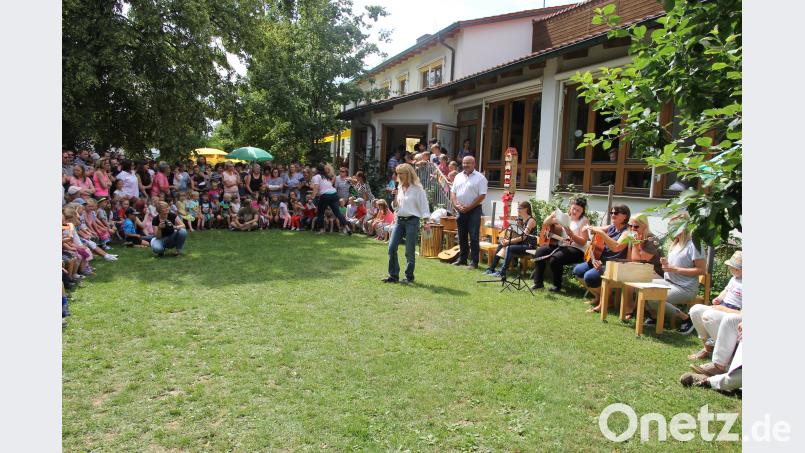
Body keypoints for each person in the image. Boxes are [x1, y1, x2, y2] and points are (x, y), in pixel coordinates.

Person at [639, 214, 705, 333]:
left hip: (685, 288)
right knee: (641, 286)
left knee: (654, 297)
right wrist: (665, 264)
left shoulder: (694, 244)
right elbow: (674, 266)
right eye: (669, 225)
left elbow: (701, 270)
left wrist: (675, 269)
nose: (670, 228)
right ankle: (655, 317)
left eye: (672, 225)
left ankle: (686, 319)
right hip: (669, 283)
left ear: (683, 225)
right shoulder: (675, 243)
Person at [687, 251, 742, 366]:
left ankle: (728, 353)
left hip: (734, 314)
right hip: (723, 306)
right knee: (695, 310)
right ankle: (708, 348)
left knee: (709, 316)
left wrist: (723, 309)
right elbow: (726, 291)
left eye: (734, 268)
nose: (731, 270)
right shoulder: (734, 279)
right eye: (731, 267)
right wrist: (719, 298)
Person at [574, 204, 631, 312]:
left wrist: (601, 233)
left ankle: (606, 301)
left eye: (616, 213)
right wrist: (588, 228)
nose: (613, 215)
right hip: (601, 260)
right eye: (611, 213)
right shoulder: (611, 227)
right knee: (578, 270)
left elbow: (616, 247)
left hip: (614, 264)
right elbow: (595, 229)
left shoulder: (627, 232)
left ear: (625, 216)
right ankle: (599, 297)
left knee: (589, 277)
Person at [383, 163, 430, 284]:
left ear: (408, 174)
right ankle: (393, 275)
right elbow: (395, 207)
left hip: (412, 221)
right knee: (391, 248)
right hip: (399, 220)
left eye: (401, 173)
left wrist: (426, 222)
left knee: (409, 251)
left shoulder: (417, 189)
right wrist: (394, 197)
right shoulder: (399, 187)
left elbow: (424, 206)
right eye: (397, 173)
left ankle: (409, 277)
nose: (398, 176)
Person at [531, 198, 589, 292]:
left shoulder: (584, 221)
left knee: (555, 258)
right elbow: (546, 222)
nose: (574, 211)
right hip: (561, 246)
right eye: (573, 208)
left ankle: (557, 286)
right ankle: (538, 284)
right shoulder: (565, 217)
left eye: (578, 210)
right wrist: (552, 215)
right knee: (540, 251)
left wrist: (572, 235)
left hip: (577, 249)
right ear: (570, 207)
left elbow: (583, 242)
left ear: (583, 211)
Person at [450, 156, 487, 269]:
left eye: (468, 163)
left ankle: (474, 262)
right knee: (462, 236)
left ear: (474, 164)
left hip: (474, 210)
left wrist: (469, 207)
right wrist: (456, 204)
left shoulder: (480, 178)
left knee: (474, 236)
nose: (465, 165)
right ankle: (463, 259)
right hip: (460, 209)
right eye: (464, 163)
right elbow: (453, 192)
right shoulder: (458, 176)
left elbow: (482, 195)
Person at [484, 201, 538, 279]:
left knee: (509, 248)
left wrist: (508, 242)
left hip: (530, 247)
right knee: (501, 245)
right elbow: (519, 233)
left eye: (520, 208)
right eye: (518, 208)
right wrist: (513, 227)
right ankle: (491, 269)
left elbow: (523, 237)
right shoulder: (523, 219)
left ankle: (502, 273)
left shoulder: (531, 221)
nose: (518, 210)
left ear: (526, 209)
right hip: (523, 244)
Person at [311, 163, 352, 235]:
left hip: (325, 195)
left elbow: (316, 187)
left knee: (320, 213)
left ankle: (321, 230)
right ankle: (347, 228)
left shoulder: (316, 176)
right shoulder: (326, 176)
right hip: (334, 194)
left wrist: (312, 196)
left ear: (317, 170)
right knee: (338, 213)